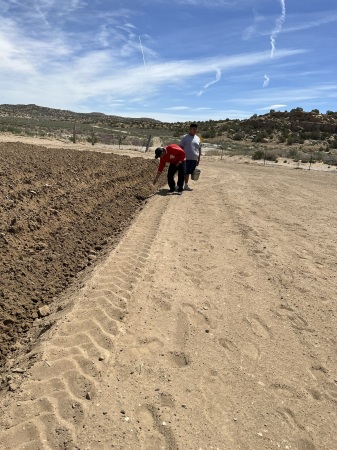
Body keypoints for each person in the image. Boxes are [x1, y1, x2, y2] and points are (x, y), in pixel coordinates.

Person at [179, 123, 201, 191]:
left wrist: (198, 159)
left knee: (188, 172)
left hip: (194, 159)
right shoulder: (184, 137)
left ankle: (186, 185)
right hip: (185, 158)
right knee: (183, 172)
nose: (195, 130)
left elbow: (199, 149)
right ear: (190, 129)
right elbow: (180, 148)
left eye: (196, 129)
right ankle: (179, 185)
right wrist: (180, 158)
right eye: (193, 129)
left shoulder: (198, 138)